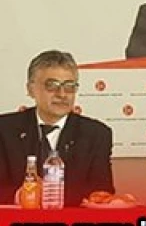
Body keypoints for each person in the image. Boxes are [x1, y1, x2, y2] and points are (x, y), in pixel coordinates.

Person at [0, 50, 114, 206]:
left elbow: (102, 191)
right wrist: (23, 196)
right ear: (31, 89)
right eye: (52, 86)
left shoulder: (96, 134)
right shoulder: (4, 129)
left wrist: (48, 195)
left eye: (69, 86)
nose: (62, 94)